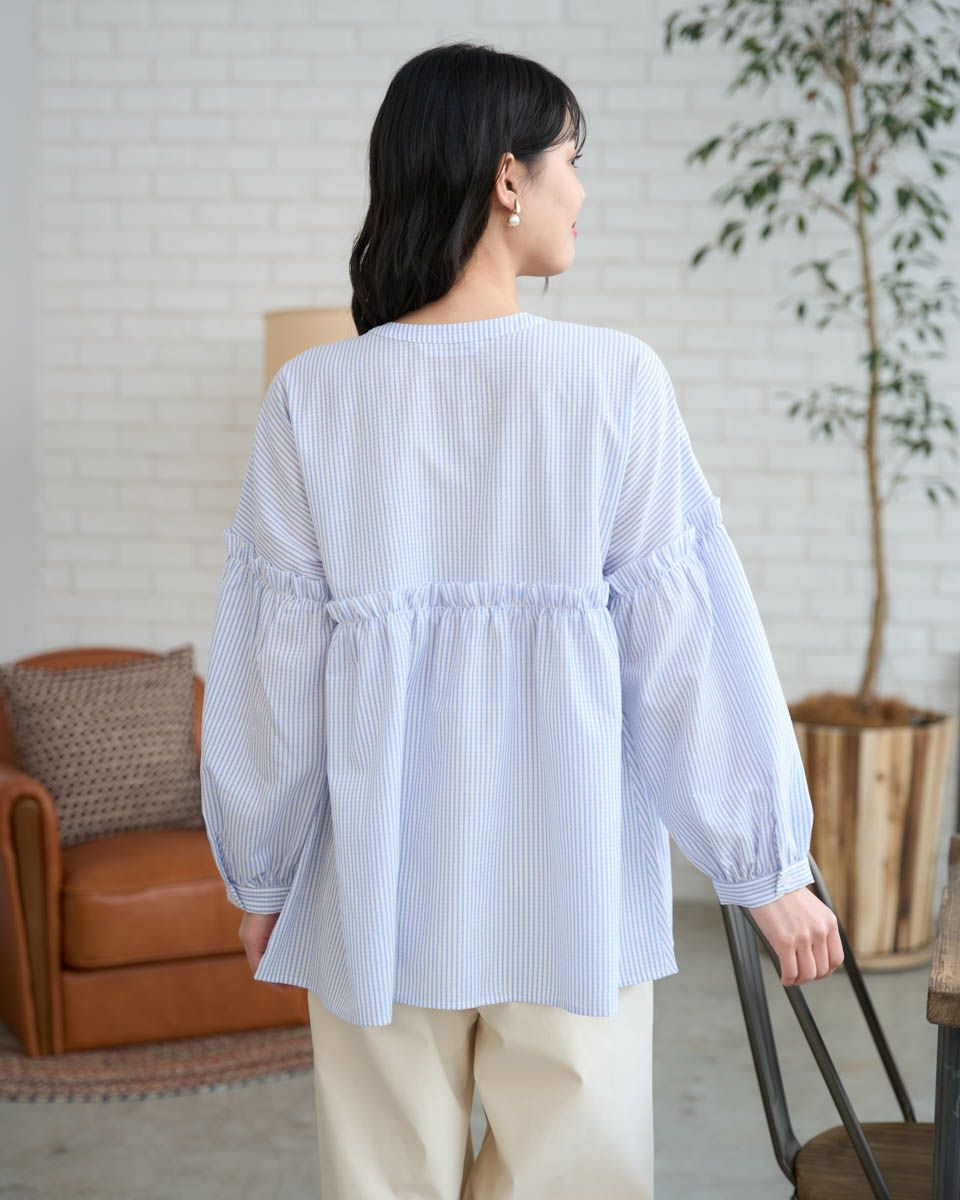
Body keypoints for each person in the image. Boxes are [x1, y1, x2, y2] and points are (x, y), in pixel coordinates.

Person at [199, 38, 844, 1200]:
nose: (581, 192)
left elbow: (272, 662)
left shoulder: (315, 397)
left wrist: (264, 875)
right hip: (572, 880)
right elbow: (681, 644)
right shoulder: (614, 382)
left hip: (377, 884)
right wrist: (766, 867)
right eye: (571, 161)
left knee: (383, 1181)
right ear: (509, 177)